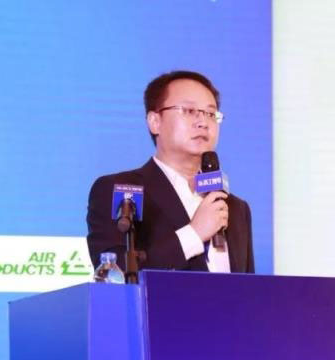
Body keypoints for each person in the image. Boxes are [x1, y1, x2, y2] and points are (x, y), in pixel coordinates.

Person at [86, 70, 255, 274]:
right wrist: (194, 234)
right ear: (155, 122)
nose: (203, 122)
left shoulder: (236, 208)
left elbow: (248, 287)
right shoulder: (120, 191)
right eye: (189, 111)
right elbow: (116, 272)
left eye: (211, 114)